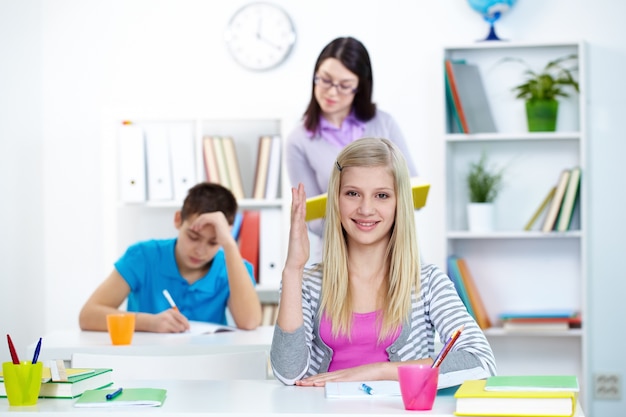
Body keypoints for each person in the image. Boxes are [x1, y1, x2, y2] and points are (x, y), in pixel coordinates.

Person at [271, 137, 496, 386]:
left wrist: (377, 371)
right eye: (353, 193)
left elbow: (480, 361)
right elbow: (287, 373)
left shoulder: (428, 283)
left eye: (381, 195)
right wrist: (292, 269)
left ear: (400, 202)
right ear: (336, 199)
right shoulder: (305, 283)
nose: (366, 209)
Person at [79, 182, 262, 333]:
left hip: (207, 366)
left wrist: (229, 244)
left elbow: (250, 322)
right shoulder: (143, 256)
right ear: (178, 220)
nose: (200, 250)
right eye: (193, 237)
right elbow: (88, 315)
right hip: (146, 364)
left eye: (213, 242)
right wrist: (148, 323)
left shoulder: (234, 268)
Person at [286, 36, 418, 243]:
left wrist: (378, 228)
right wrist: (359, 230)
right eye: (325, 80)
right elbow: (309, 215)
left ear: (360, 88)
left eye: (345, 85)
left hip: (394, 246)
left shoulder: (384, 124)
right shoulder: (299, 140)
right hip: (337, 251)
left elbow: (412, 192)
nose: (331, 92)